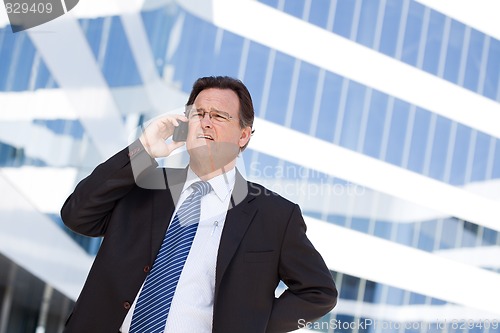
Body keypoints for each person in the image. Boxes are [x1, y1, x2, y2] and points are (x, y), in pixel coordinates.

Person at [61, 76, 337, 333]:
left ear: (243, 136)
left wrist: (251, 324)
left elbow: (319, 292)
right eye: (198, 114)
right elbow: (77, 215)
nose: (205, 122)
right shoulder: (142, 183)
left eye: (218, 116)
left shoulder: (274, 215)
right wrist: (142, 150)